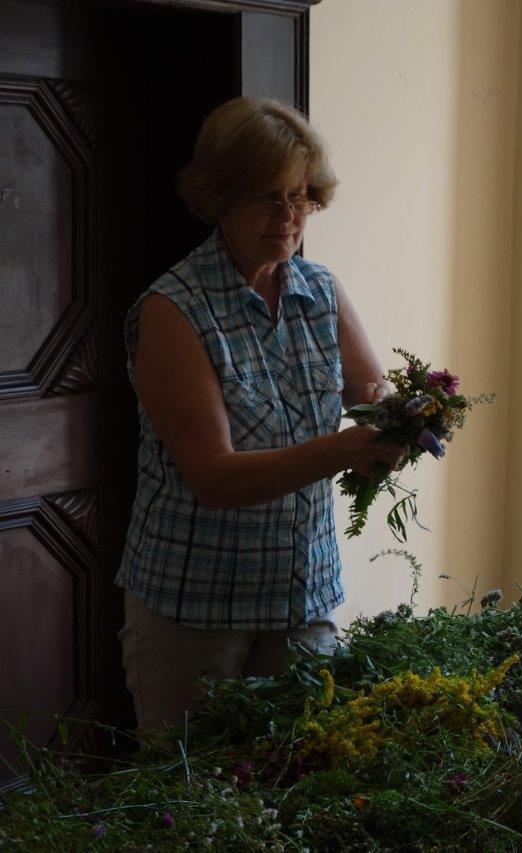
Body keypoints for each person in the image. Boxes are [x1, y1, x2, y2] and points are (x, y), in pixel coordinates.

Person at [116, 97, 406, 731]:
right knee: (192, 787)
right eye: (267, 197)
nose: (288, 215)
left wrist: (408, 417)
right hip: (194, 608)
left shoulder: (320, 291)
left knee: (303, 776)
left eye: (300, 196)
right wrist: (346, 449)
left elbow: (371, 396)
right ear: (219, 197)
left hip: (303, 598)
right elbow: (215, 478)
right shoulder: (174, 310)